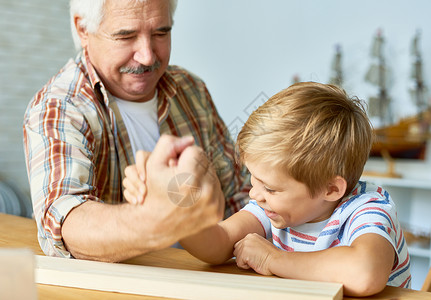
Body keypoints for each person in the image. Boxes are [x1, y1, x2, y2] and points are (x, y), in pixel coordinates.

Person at [124, 82, 411, 297]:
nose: (254, 194)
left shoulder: (369, 208)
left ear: (331, 189)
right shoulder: (273, 209)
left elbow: (365, 273)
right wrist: (176, 210)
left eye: (270, 188)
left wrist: (274, 258)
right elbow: (219, 243)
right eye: (254, 179)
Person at [23, 0, 250, 262]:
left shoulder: (191, 90)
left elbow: (242, 197)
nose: (148, 56)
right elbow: (66, 223)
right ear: (83, 29)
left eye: (161, 33)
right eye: (126, 36)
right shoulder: (58, 107)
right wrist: (158, 218)